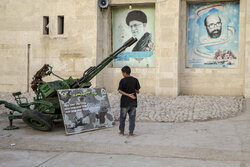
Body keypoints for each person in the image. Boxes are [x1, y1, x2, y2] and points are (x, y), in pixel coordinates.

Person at [118, 66, 140, 136]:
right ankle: (131, 133)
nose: (122, 74)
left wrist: (127, 94)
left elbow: (120, 91)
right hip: (133, 102)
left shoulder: (122, 80)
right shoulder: (135, 80)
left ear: (124, 73)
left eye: (122, 73)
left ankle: (121, 132)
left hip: (124, 102)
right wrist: (133, 91)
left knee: (122, 118)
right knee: (132, 118)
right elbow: (138, 91)